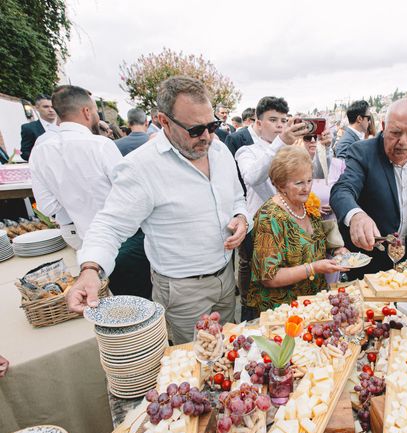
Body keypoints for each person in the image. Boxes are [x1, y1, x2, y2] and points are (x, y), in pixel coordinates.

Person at [66, 76, 250, 344]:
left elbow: (237, 197)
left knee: (228, 351)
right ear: (164, 121)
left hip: (225, 277)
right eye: (196, 129)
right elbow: (110, 225)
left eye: (212, 125)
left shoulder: (220, 150)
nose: (207, 136)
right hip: (183, 290)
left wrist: (242, 217)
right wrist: (90, 268)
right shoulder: (141, 167)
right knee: (196, 364)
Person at [30, 85, 152, 299]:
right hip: (124, 239)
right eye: (95, 110)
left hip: (83, 241)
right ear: (87, 112)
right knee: (139, 300)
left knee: (114, 299)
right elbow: (130, 194)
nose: (96, 114)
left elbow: (47, 207)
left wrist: (76, 205)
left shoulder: (40, 151)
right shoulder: (100, 145)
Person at [330, 98, 407, 277]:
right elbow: (342, 190)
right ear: (383, 126)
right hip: (370, 264)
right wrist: (356, 215)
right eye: (395, 133)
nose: (403, 142)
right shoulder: (362, 152)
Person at [248, 146, 348, 312]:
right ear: (280, 185)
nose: (307, 188)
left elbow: (317, 240)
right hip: (282, 311)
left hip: (313, 304)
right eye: (299, 183)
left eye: (309, 180)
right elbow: (269, 278)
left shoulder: (306, 204)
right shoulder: (270, 217)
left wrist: (339, 250)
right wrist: (313, 268)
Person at [234, 96, 308, 320]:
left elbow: (308, 176)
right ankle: (250, 314)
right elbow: (253, 177)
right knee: (256, 279)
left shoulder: (289, 147)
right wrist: (281, 143)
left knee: (282, 278)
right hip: (258, 225)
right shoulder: (246, 151)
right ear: (257, 122)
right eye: (273, 120)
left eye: (284, 121)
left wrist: (314, 146)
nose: (279, 125)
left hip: (288, 223)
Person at [20, 94, 58, 161]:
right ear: (37, 108)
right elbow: (25, 153)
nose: (51, 110)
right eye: (46, 107)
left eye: (53, 107)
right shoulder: (29, 128)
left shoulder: (64, 125)